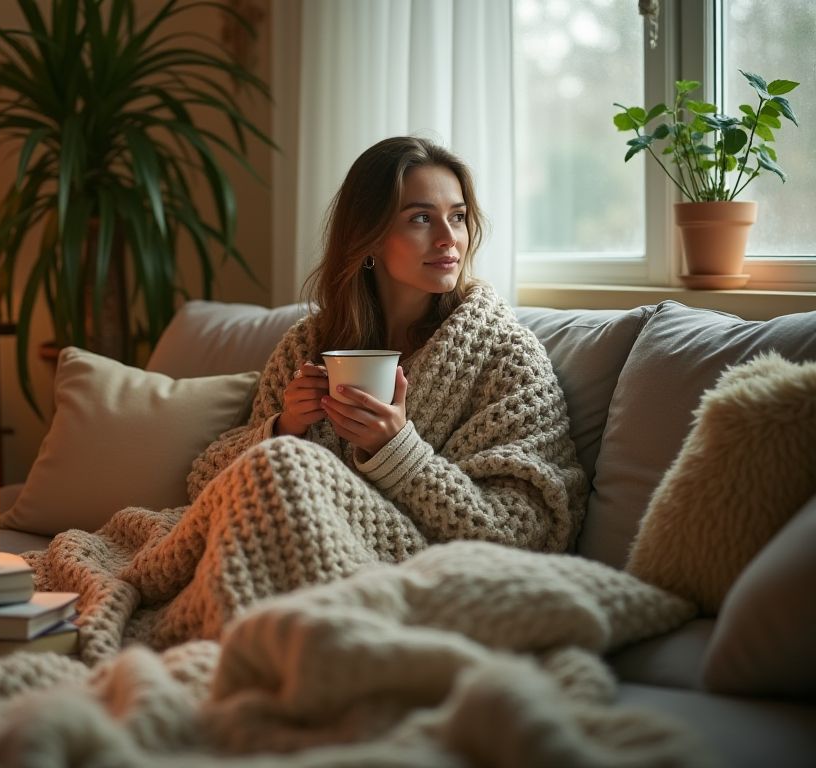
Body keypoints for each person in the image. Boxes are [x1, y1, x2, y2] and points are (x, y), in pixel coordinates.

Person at [33, 136, 588, 656]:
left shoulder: (506, 356)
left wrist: (401, 452)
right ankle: (250, 645)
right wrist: (281, 429)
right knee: (280, 462)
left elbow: (524, 532)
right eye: (421, 218)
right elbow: (211, 484)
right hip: (289, 553)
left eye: (458, 216)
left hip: (413, 565)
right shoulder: (310, 345)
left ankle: (258, 648)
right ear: (368, 238)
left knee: (287, 467)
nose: (449, 238)